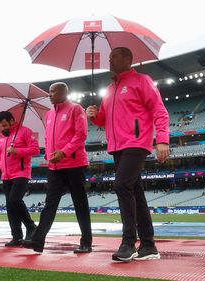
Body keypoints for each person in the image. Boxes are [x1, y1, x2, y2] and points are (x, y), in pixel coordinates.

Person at [86, 47, 169, 262]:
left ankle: (128, 242)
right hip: (117, 146)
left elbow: (159, 110)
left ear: (128, 59)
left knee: (121, 185)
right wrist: (94, 116)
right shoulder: (109, 90)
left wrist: (162, 140)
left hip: (136, 142)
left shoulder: (142, 81)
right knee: (136, 194)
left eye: (114, 56)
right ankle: (149, 246)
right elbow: (104, 119)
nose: (110, 60)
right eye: (109, 56)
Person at [22, 82, 92, 254]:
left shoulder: (76, 109)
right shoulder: (50, 114)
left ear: (63, 92)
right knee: (49, 204)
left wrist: (65, 152)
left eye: (52, 91)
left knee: (80, 204)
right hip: (55, 166)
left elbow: (81, 135)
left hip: (75, 164)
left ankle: (86, 242)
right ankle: (38, 242)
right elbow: (48, 137)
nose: (49, 94)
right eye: (49, 91)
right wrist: (48, 152)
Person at [0, 111, 40, 247]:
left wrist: (17, 151)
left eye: (5, 125)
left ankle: (31, 226)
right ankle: (16, 236)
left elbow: (35, 150)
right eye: (1, 127)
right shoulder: (1, 138)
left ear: (12, 121)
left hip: (21, 173)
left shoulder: (25, 132)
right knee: (10, 207)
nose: (3, 128)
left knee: (14, 200)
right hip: (6, 176)